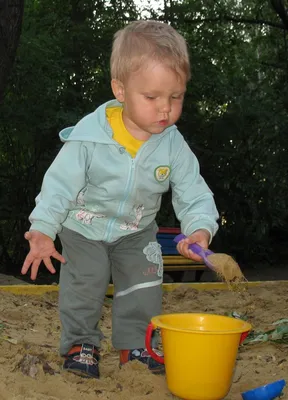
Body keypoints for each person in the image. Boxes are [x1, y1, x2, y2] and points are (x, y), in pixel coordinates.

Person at [21, 20, 219, 379]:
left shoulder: (172, 143)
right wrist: (43, 229)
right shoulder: (89, 138)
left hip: (137, 231)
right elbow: (59, 186)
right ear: (121, 89)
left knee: (145, 280)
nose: (165, 109)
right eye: (152, 97)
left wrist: (200, 229)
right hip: (83, 226)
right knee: (87, 278)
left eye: (176, 97)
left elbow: (193, 190)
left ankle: (136, 345)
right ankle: (82, 343)